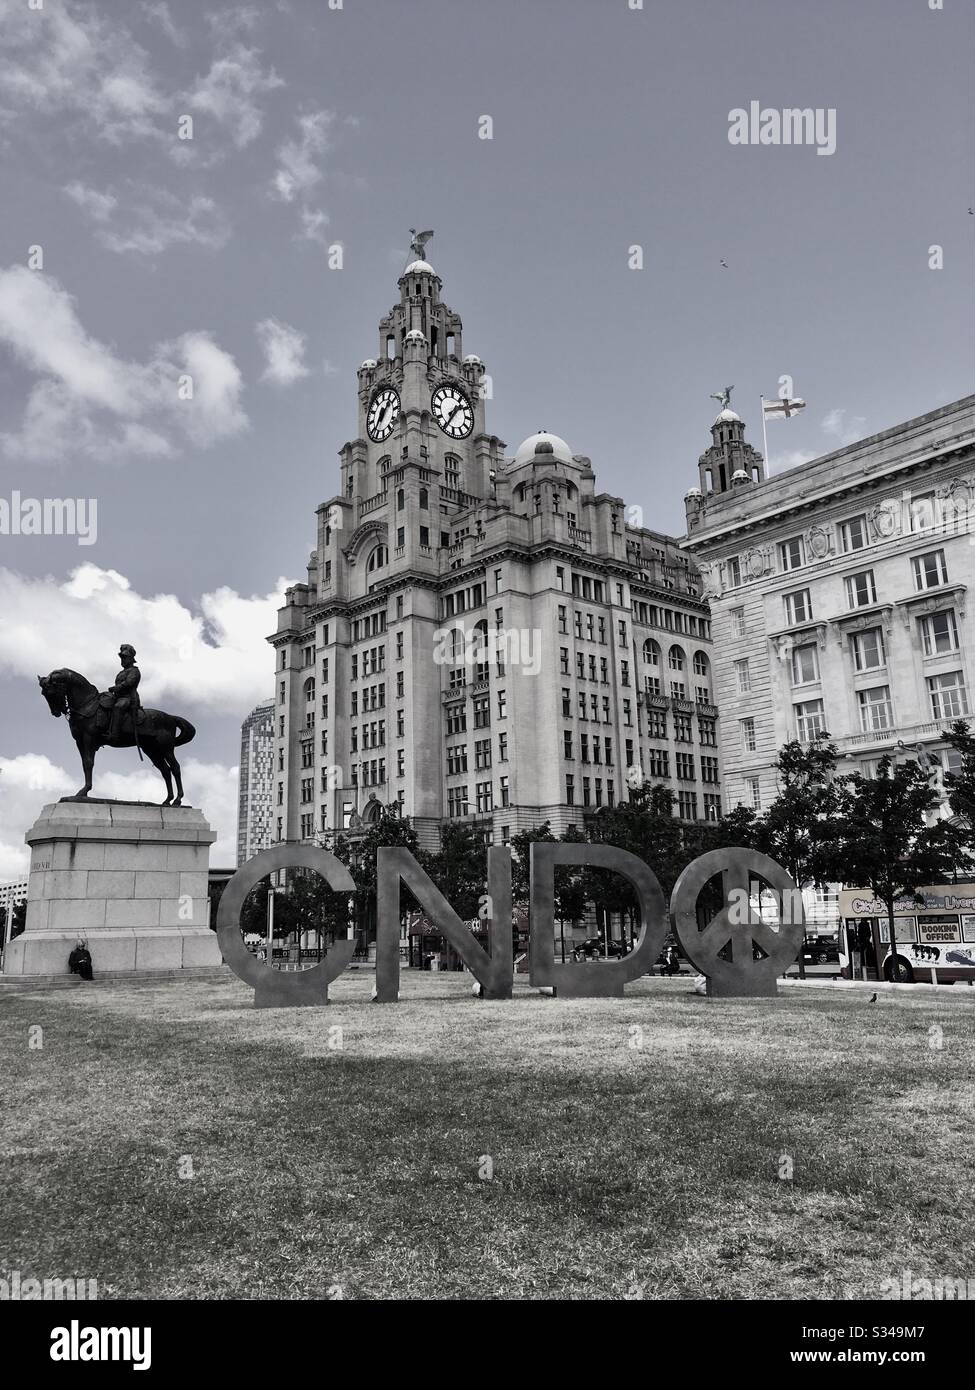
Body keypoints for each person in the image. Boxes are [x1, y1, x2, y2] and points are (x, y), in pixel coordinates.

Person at [104, 643, 142, 743]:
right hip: (118, 697)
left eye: (125, 657)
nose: (123, 660)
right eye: (122, 658)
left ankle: (114, 735)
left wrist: (116, 688)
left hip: (128, 698)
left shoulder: (134, 671)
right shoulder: (121, 673)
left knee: (118, 707)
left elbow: (129, 683)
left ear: (131, 658)